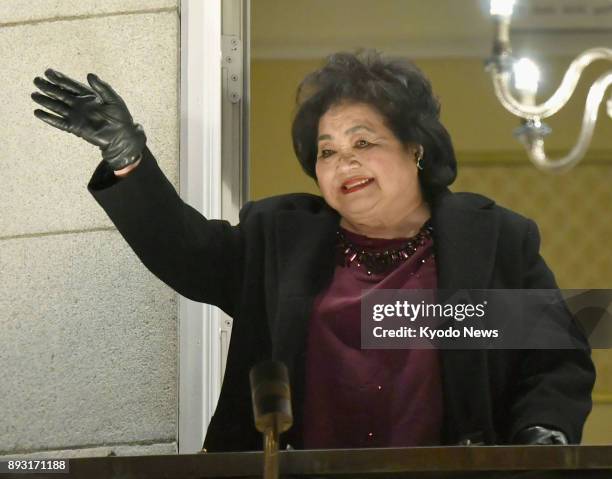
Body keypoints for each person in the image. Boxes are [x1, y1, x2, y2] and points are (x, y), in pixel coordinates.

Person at [32, 50, 595, 451]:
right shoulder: (281, 238)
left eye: (363, 143)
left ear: (416, 148)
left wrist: (542, 435)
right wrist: (128, 156)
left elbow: (552, 364)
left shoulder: (494, 241)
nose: (343, 163)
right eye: (326, 152)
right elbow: (188, 252)